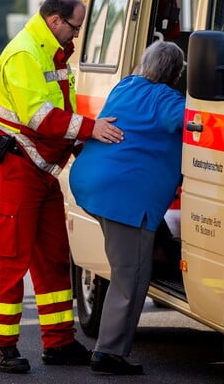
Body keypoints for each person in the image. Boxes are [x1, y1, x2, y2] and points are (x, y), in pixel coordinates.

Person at [0, 0, 124, 374]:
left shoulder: (51, 52)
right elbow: (41, 117)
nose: (76, 37)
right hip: (15, 166)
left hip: (38, 168)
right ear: (56, 21)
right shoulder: (25, 53)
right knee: (10, 260)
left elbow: (62, 111)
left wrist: (81, 144)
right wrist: (92, 131)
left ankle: (58, 342)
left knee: (54, 258)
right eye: (75, 27)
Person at [68, 40, 186, 375]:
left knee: (133, 268)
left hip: (91, 184)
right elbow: (199, 121)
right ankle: (109, 353)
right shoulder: (168, 102)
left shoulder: (127, 86)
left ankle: (111, 348)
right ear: (176, 74)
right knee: (130, 275)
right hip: (123, 199)